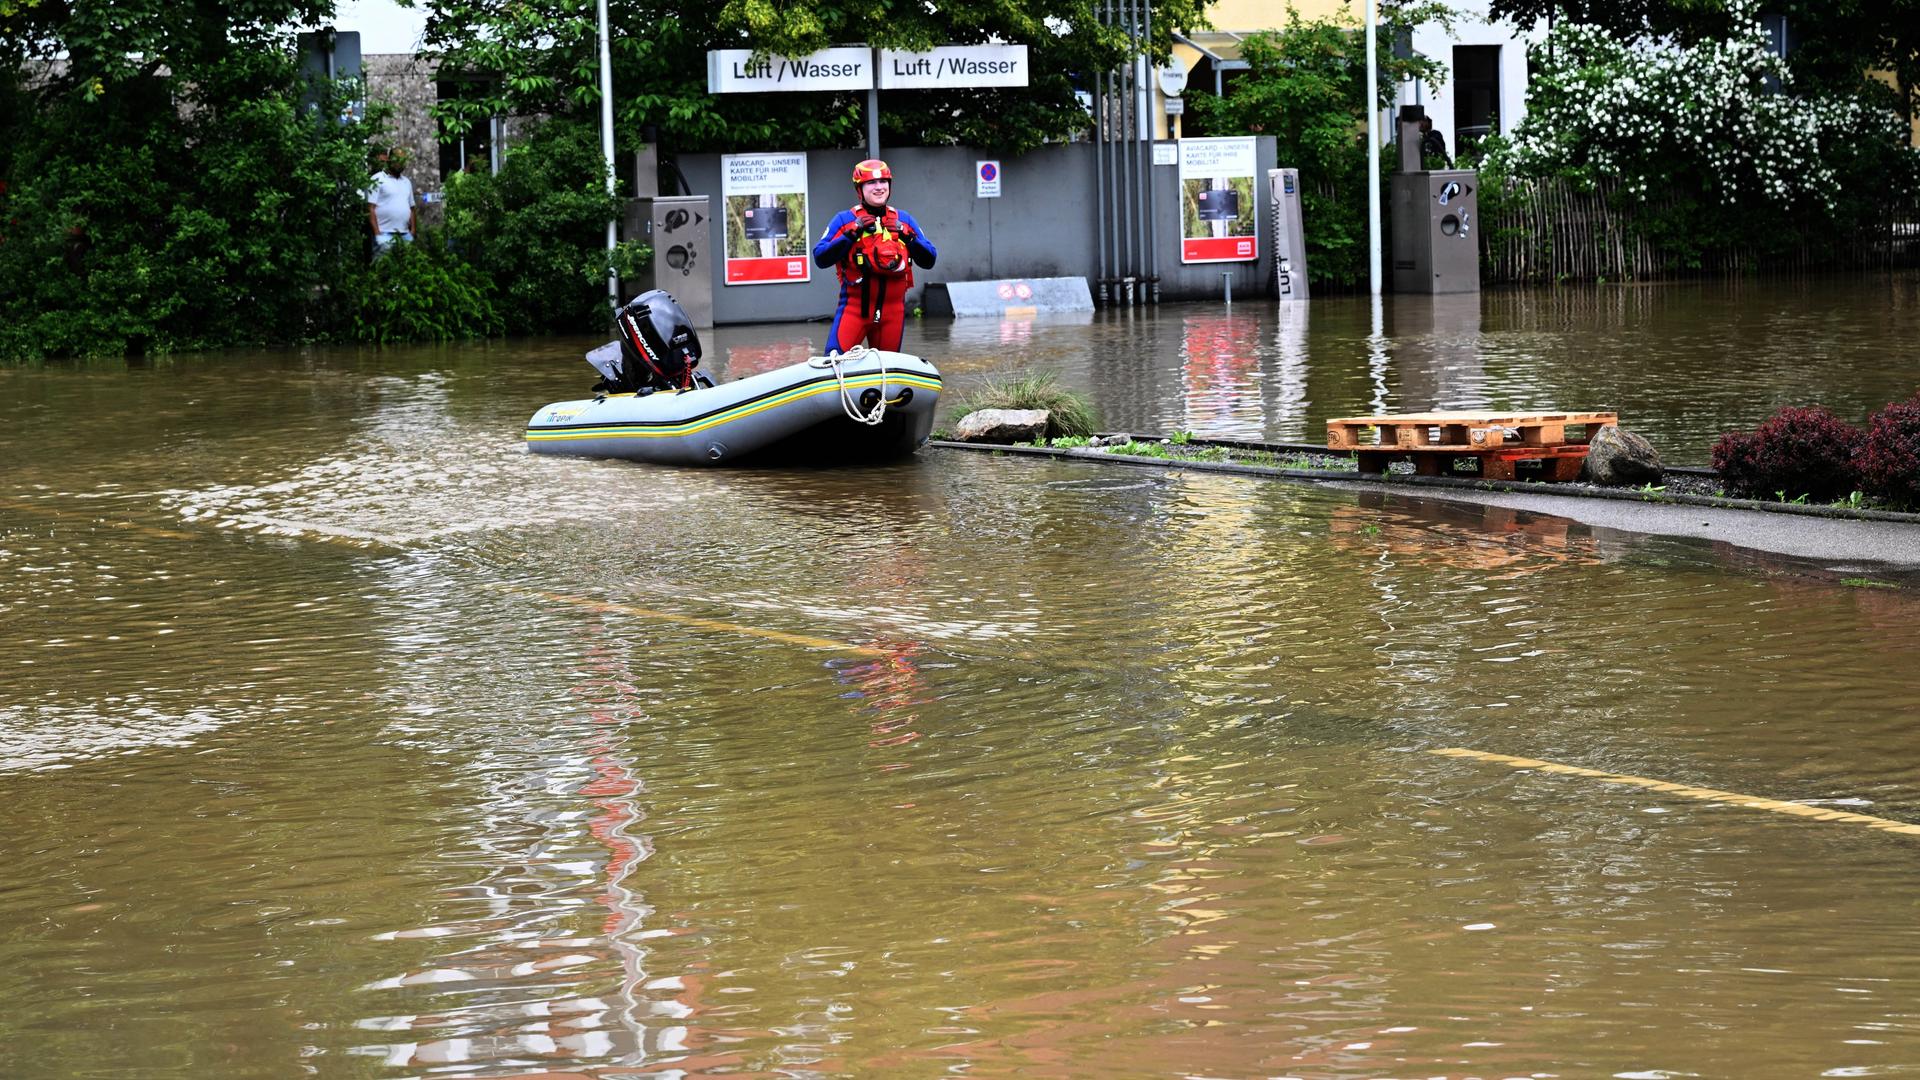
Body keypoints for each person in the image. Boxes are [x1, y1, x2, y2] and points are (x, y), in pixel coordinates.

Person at [812, 159, 936, 354]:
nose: (879, 187)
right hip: (854, 310)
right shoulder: (845, 220)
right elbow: (820, 257)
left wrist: (907, 235)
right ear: (859, 189)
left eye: (883, 182)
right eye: (871, 183)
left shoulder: (904, 220)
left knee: (887, 370)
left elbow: (930, 260)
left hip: (892, 313)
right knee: (833, 363)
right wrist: (851, 234)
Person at [366, 147, 418, 256]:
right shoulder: (377, 179)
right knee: (383, 269)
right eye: (397, 160)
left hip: (405, 235)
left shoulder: (406, 182)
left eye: (402, 161)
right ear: (390, 160)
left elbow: (412, 209)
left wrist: (412, 231)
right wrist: (377, 234)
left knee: (404, 268)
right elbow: (370, 209)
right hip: (384, 234)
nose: (400, 163)